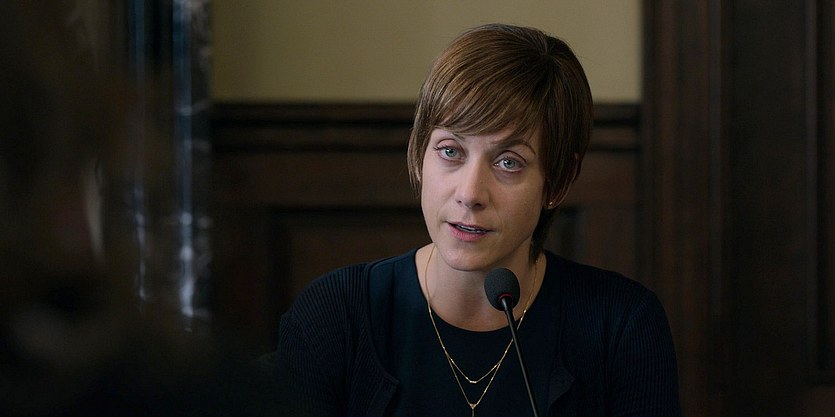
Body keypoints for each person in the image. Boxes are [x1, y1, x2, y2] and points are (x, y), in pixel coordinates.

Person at [266, 23, 681, 416]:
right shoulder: (335, 315)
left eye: (508, 162)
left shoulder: (623, 325)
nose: (470, 193)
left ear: (557, 183)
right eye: (451, 151)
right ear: (418, 156)